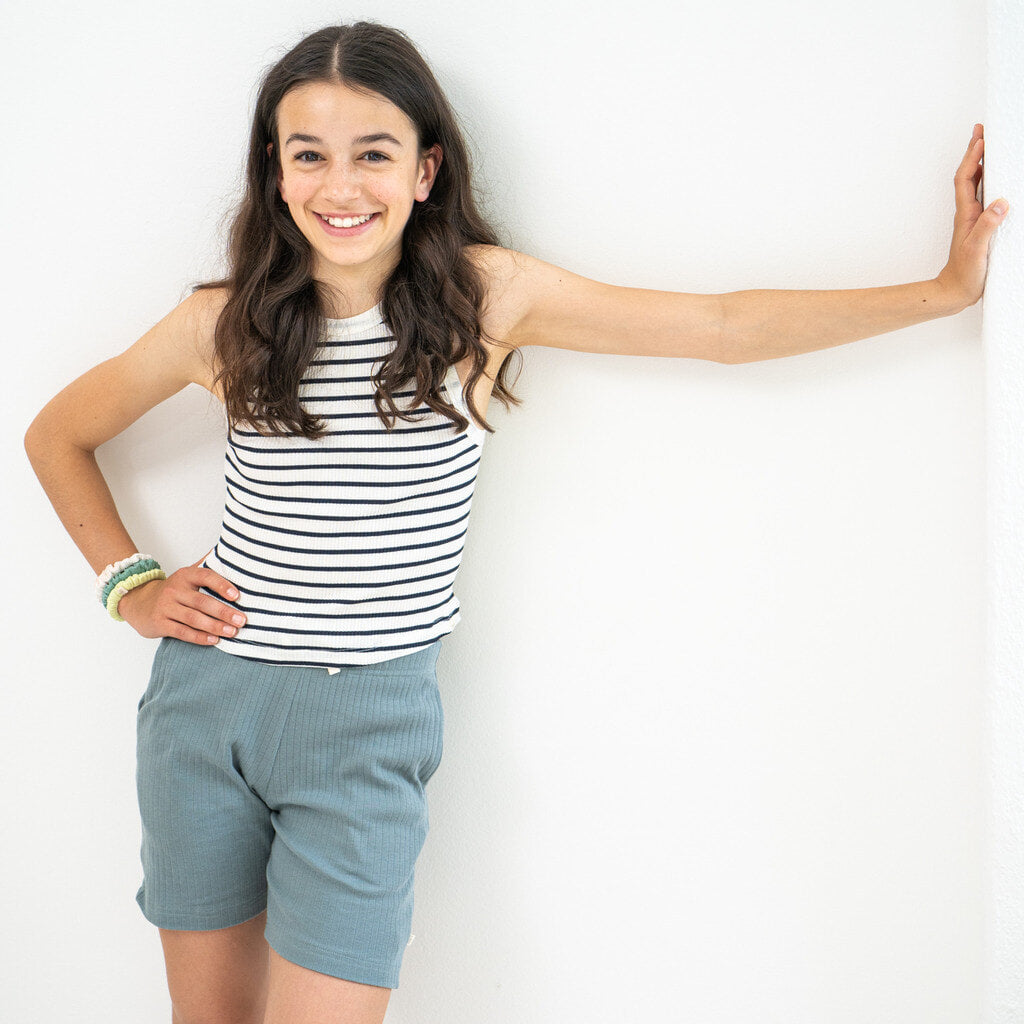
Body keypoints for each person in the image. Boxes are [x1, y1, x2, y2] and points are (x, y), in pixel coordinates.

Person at [23, 20, 1007, 1024]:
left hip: (367, 728)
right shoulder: (219, 324)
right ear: (274, 174)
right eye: (307, 155)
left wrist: (941, 293)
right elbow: (57, 435)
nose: (340, 185)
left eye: (373, 154)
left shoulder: (483, 299)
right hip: (206, 708)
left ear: (426, 170)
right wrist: (130, 586)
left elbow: (719, 326)